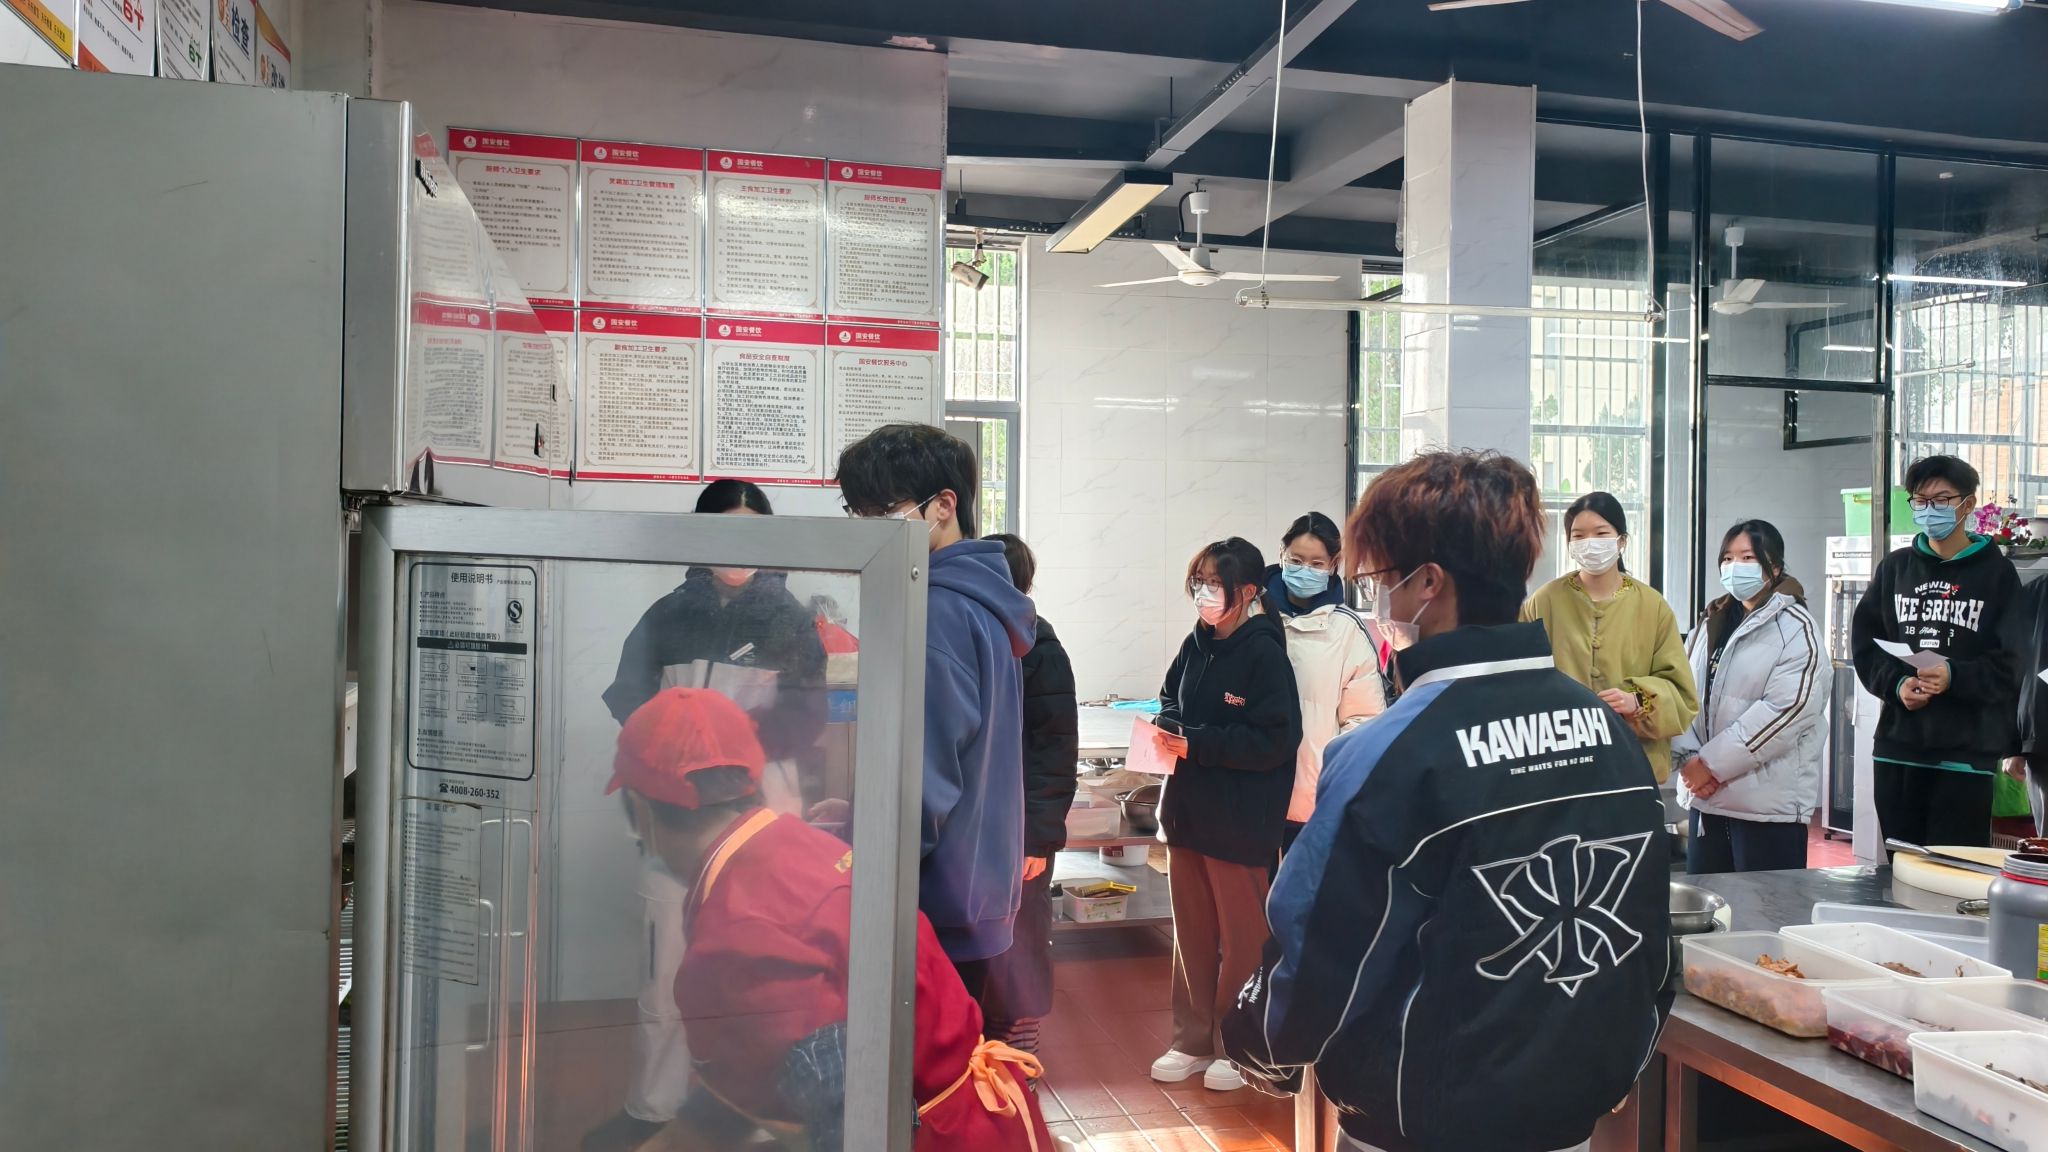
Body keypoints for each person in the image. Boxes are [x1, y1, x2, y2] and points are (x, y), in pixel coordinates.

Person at [1222, 450, 1671, 1152]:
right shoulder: (1607, 731)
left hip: (1420, 1117)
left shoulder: (1392, 750)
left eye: (1381, 579)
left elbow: (1323, 941)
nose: (1380, 600)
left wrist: (1263, 1040)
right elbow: (1649, 929)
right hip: (1569, 1115)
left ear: (1428, 583)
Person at [607, 687, 1053, 1152]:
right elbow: (770, 1061)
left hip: (941, 1137)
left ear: (640, 810)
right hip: (973, 1116)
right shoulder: (796, 844)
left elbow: (847, 1121)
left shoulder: (741, 935)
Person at [587, 479, 828, 1152]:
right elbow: (627, 695)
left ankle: (759, 1115)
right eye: (723, 530)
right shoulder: (668, 615)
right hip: (673, 804)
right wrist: (669, 747)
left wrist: (731, 751)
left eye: (751, 533)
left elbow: (806, 718)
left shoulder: (789, 622)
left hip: (759, 801)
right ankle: (653, 1107)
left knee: (759, 963)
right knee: (665, 964)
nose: (736, 549)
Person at [836, 424, 1036, 996]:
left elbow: (923, 782)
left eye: (883, 511)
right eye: (857, 512)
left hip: (934, 903)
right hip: (976, 888)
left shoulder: (939, 613)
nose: (868, 527)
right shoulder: (980, 601)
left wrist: (865, 870)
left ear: (943, 506)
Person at [1150, 538, 1303, 1094]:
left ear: (1247, 592)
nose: (1204, 592)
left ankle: (1235, 1045)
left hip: (1238, 822)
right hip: (1187, 815)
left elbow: (1275, 741)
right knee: (1191, 934)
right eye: (1199, 581)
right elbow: (1169, 697)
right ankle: (1191, 1040)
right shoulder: (1195, 644)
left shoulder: (1264, 653)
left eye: (1215, 583)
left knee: (1242, 940)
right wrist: (1168, 725)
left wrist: (1199, 743)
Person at [1851, 455, 2020, 849]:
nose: (1930, 510)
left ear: (1968, 504)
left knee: (1952, 869)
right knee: (1902, 865)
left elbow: (2012, 663)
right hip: (1898, 748)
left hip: (1966, 755)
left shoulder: (1997, 575)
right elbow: (1867, 645)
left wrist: (1955, 676)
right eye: (1921, 501)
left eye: (1942, 500)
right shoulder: (1895, 568)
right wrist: (1896, 685)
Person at [1672, 520, 1826, 873]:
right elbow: (1682, 693)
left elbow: (1786, 711)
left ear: (1775, 567)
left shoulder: (1796, 628)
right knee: (1710, 903)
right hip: (1706, 800)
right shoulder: (1711, 623)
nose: (1734, 567)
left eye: (1747, 558)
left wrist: (1710, 766)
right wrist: (1689, 760)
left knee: (1765, 905)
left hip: (1767, 810)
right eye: (1727, 558)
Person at [978, 533, 1078, 1058]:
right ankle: (978, 1036)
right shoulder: (971, 633)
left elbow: (1056, 750)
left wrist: (1038, 838)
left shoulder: (1041, 647)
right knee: (979, 928)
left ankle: (1019, 1033)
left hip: (1021, 825)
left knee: (1022, 929)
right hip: (976, 820)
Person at [1521, 492, 1697, 783]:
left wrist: (1637, 701)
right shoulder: (1543, 601)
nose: (1590, 542)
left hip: (1631, 766)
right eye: (1579, 536)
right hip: (1559, 764)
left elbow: (1682, 694)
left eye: (1601, 533)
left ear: (1622, 541)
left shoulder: (1653, 606)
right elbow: (1519, 679)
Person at [1267, 511, 1385, 853]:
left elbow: (1365, 722)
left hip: (1312, 800)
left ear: (1334, 565)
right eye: (1296, 560)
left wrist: (1328, 778)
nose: (1305, 570)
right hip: (1252, 796)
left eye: (1317, 563)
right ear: (1282, 555)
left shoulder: (1347, 631)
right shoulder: (1252, 615)